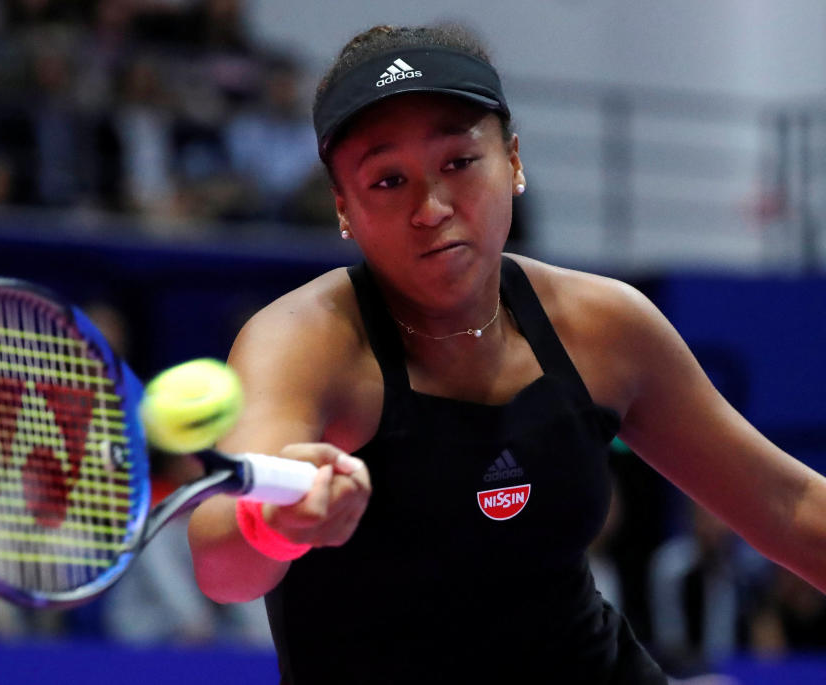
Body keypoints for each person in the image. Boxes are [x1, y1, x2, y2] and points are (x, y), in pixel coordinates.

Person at [187, 24, 826, 684]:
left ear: (514, 161)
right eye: (387, 180)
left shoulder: (604, 326)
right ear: (342, 207)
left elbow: (787, 506)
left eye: (459, 162)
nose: (431, 206)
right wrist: (276, 525)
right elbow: (223, 566)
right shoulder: (300, 342)